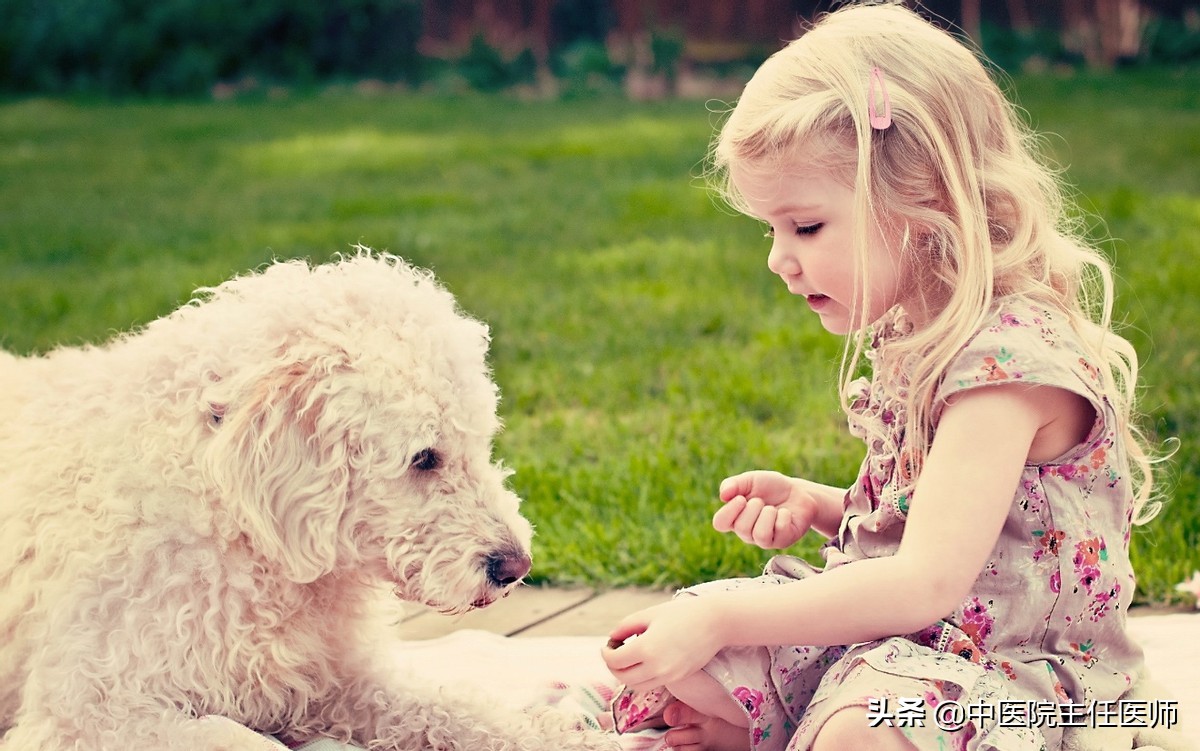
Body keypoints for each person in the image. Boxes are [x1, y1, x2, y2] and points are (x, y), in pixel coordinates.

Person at [600, 3, 1163, 750]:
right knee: (664, 656)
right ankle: (789, 715)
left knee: (856, 727)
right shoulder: (920, 333)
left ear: (921, 199)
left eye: (805, 226)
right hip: (920, 642)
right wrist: (822, 505)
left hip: (1026, 679)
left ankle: (804, 724)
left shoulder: (1008, 368)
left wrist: (727, 617)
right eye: (771, 230)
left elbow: (924, 580)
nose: (779, 258)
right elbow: (955, 527)